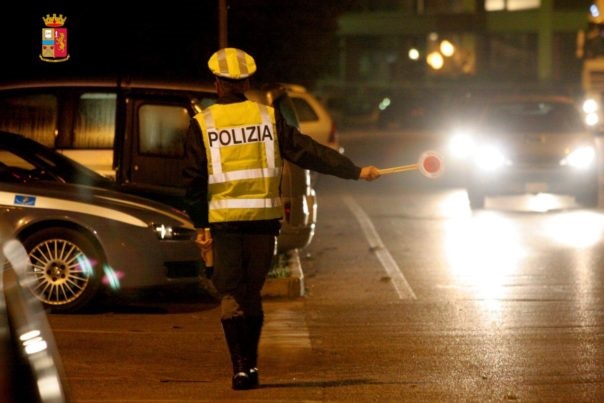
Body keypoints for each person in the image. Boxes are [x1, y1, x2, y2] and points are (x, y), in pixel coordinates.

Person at [182, 47, 381, 390]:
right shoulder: (268, 118)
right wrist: (354, 171)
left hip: (224, 224)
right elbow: (308, 151)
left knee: (231, 294)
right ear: (247, 83)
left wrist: (201, 226)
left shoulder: (203, 123)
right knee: (252, 293)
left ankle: (240, 369)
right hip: (264, 223)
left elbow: (193, 180)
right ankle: (252, 366)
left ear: (216, 84)